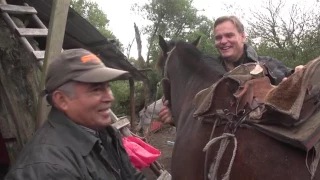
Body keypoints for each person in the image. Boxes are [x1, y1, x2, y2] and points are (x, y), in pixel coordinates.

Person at [5, 48, 146, 180]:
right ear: (62, 100)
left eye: (107, 87)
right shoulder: (49, 169)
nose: (110, 97)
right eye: (96, 89)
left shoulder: (106, 133)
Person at [158, 15, 305, 124]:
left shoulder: (267, 64)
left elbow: (291, 78)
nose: (223, 41)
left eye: (229, 35)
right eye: (218, 37)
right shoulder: (206, 73)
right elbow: (196, 115)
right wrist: (175, 118)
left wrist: (300, 74)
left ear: (242, 36)